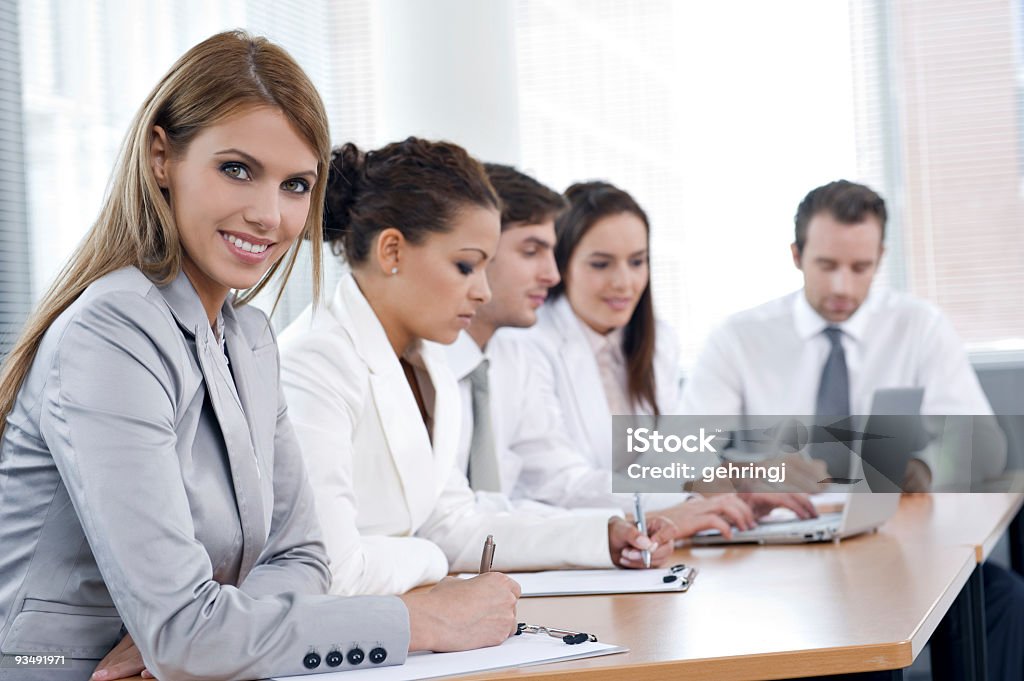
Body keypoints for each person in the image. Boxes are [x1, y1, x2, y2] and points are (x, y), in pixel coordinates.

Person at [0, 32, 517, 681]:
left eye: (296, 184)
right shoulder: (113, 331)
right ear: (162, 157)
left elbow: (303, 557)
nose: (269, 215)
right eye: (237, 169)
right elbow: (188, 635)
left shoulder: (249, 340)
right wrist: (424, 621)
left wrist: (202, 627)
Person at [279, 141, 674, 598]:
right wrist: (428, 555)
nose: (483, 292)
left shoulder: (427, 361)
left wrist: (600, 536)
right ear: (392, 252)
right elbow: (333, 570)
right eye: (466, 266)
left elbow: (452, 523)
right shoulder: (316, 360)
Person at [678, 179, 1021, 681]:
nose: (842, 286)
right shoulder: (739, 338)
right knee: (859, 641)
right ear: (796, 255)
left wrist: (920, 468)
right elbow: (671, 456)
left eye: (860, 268)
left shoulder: (918, 326)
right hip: (778, 563)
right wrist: (747, 471)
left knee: (1003, 602)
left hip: (898, 552)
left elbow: (983, 444)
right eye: (826, 265)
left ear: (880, 258)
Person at [447, 165, 799, 536]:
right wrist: (683, 501)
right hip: (563, 533)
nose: (624, 282)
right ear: (567, 265)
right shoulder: (523, 341)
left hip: (598, 533)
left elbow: (671, 459)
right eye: (601, 264)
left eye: (637, 262)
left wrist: (725, 483)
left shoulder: (657, 340)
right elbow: (556, 481)